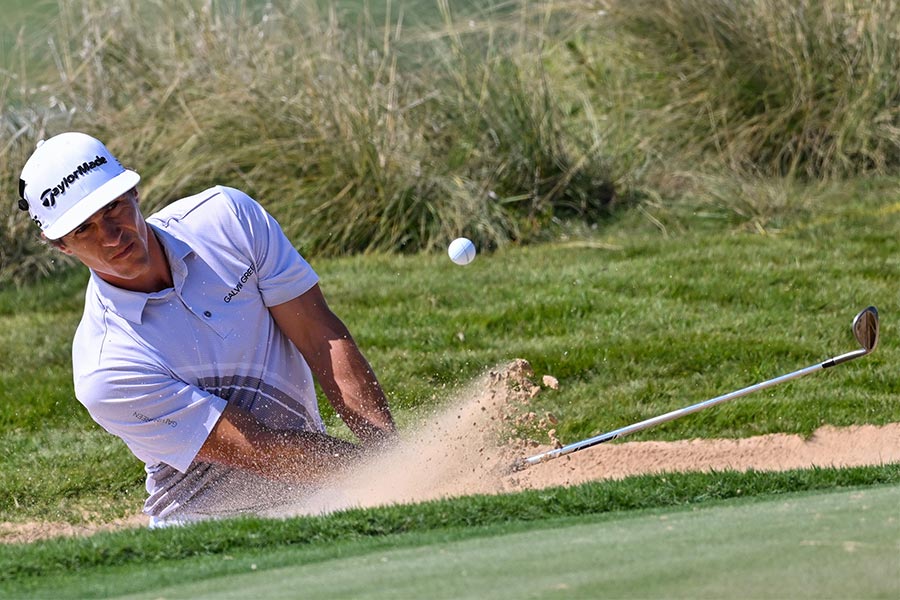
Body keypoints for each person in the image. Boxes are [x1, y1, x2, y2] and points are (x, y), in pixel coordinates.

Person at [18, 132, 397, 526]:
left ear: (134, 193)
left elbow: (321, 337)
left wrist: (391, 455)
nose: (111, 237)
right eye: (84, 229)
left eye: (113, 208)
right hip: (207, 532)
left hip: (322, 490)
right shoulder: (106, 369)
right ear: (60, 245)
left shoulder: (227, 220)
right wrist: (383, 476)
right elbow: (257, 448)